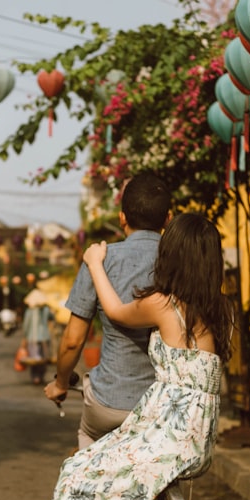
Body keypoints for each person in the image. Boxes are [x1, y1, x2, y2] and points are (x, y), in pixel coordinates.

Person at [49, 212, 234, 500]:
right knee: (121, 480)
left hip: (164, 429)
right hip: (197, 438)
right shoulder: (219, 309)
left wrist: (95, 261)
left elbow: (113, 310)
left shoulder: (163, 303)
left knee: (74, 482)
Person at [43, 172, 171, 449]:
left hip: (109, 401)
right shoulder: (181, 261)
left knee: (89, 450)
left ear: (122, 218)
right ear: (168, 219)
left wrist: (61, 383)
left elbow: (74, 340)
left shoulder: (99, 259)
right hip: (161, 407)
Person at [19, 289, 53, 385]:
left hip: (32, 337)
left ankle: (35, 377)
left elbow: (26, 325)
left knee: (34, 358)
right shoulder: (46, 310)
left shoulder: (29, 311)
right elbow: (53, 318)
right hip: (45, 337)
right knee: (43, 358)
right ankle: (41, 376)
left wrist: (24, 337)